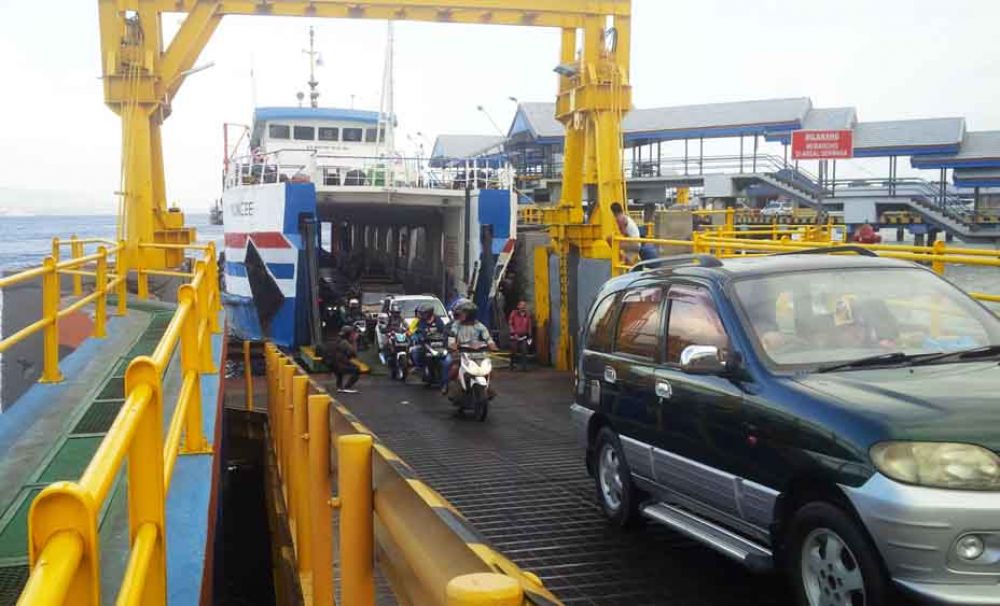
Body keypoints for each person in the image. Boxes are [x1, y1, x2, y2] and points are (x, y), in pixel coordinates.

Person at [447, 300, 498, 397]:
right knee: (454, 368)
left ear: (470, 315)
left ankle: (488, 387)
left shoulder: (479, 326)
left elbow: (487, 338)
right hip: (462, 352)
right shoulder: (456, 325)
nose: (460, 315)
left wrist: (492, 345)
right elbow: (452, 336)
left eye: (463, 313)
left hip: (478, 353)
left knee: (489, 369)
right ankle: (449, 387)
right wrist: (452, 345)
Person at [410, 303, 448, 387]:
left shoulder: (438, 320)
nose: (422, 315)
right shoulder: (421, 322)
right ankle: (420, 368)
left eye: (424, 313)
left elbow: (443, 330)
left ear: (430, 313)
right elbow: (417, 331)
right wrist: (418, 337)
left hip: (438, 344)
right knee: (415, 352)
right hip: (426, 344)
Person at [323, 325, 362, 393]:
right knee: (357, 369)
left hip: (332, 364)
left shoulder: (337, 340)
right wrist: (354, 341)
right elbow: (354, 354)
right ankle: (347, 387)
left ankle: (339, 386)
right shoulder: (344, 343)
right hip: (338, 364)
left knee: (340, 369)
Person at [507, 300, 533, 371]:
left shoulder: (527, 315)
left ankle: (524, 367)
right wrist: (513, 333)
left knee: (524, 350)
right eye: (521, 305)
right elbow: (510, 324)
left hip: (523, 336)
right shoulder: (514, 313)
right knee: (513, 351)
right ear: (518, 306)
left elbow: (529, 326)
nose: (523, 307)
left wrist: (529, 335)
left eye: (524, 305)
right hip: (514, 336)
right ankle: (511, 365)